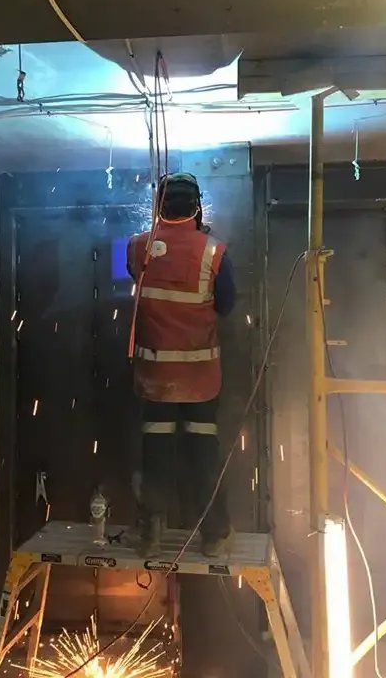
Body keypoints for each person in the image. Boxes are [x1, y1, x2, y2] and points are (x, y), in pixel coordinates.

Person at [127, 173, 236, 558]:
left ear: (159, 206)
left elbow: (139, 278)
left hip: (156, 378)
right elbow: (225, 304)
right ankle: (214, 536)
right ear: (197, 206)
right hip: (201, 380)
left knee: (155, 452)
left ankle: (151, 535)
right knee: (203, 453)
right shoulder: (214, 252)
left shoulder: (139, 247)